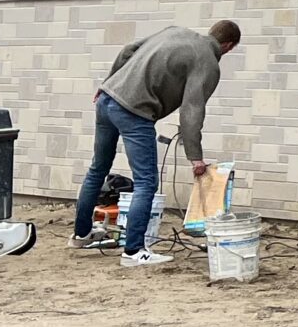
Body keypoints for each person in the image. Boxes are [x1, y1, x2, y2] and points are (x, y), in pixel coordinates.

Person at [75, 19, 241, 267]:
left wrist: (106, 83)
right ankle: (133, 252)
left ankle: (81, 235)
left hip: (107, 99)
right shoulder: (207, 62)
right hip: (134, 111)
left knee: (98, 169)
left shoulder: (175, 30)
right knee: (146, 181)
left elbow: (128, 50)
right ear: (228, 46)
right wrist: (195, 156)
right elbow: (192, 110)